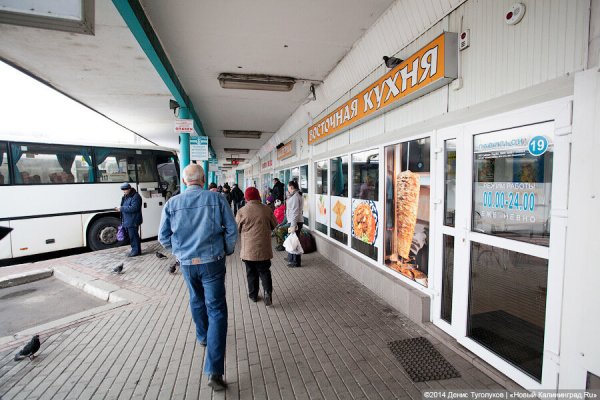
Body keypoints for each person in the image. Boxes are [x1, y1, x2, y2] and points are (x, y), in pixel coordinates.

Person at [158, 164, 237, 391]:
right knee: (217, 310)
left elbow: (163, 237)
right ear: (202, 179)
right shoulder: (217, 199)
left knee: (195, 299)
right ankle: (214, 371)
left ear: (184, 181)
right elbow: (231, 230)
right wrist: (226, 250)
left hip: (187, 264)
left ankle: (203, 336)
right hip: (212, 262)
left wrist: (180, 253)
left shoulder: (172, 204)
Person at [235, 187, 278, 306]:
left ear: (246, 198)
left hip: (248, 249)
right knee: (265, 271)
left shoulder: (242, 211)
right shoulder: (267, 209)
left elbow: (237, 229)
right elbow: (274, 225)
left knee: (251, 273)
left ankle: (253, 295)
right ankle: (267, 293)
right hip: (264, 248)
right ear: (258, 196)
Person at [116, 182, 143, 257]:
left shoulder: (136, 196)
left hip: (133, 220)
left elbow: (134, 208)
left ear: (129, 189)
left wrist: (121, 208)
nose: (124, 191)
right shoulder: (125, 196)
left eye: (125, 190)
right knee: (132, 236)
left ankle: (135, 251)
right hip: (128, 220)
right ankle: (136, 250)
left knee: (133, 236)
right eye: (123, 190)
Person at [285, 180, 304, 267]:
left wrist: (293, 225)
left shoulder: (296, 196)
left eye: (288, 187)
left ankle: (296, 262)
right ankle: (291, 257)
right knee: (293, 240)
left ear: (291, 187)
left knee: (294, 241)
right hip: (295, 221)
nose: (287, 189)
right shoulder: (296, 195)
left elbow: (295, 212)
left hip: (295, 222)